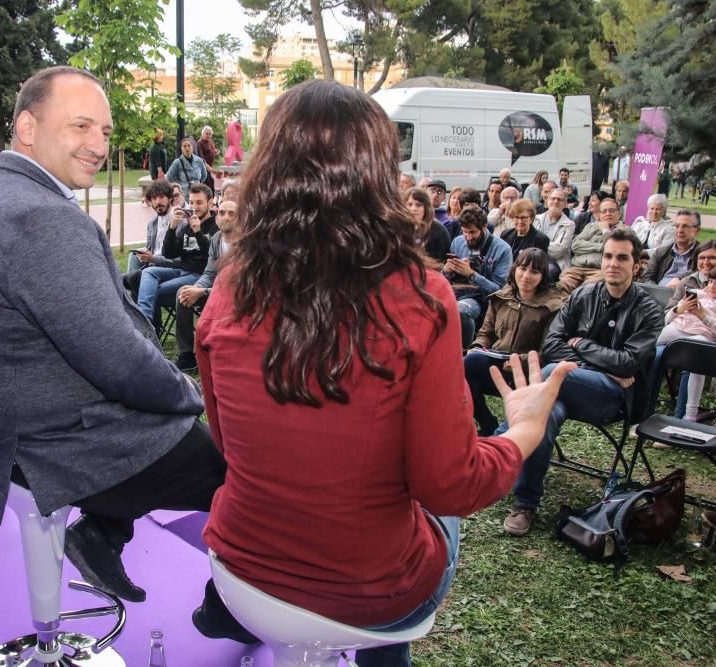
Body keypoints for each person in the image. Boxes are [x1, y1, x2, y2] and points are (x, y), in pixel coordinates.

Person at [191, 79, 575, 665]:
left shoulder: (227, 288)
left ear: (268, 168)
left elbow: (227, 438)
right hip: (364, 592)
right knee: (434, 519)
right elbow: (449, 485)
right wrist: (522, 431)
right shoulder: (422, 298)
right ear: (380, 172)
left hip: (237, 571)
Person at [0, 66, 225, 604]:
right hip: (43, 440)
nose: (98, 145)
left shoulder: (4, 193)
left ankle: (103, 531)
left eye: (104, 131)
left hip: (10, 421)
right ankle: (231, 608)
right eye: (80, 127)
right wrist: (187, 395)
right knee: (238, 474)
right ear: (28, 127)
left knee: (167, 412)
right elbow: (118, 362)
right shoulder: (40, 217)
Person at [497, 229, 663, 536]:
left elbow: (628, 363)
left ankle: (500, 441)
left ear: (636, 265)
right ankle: (525, 504)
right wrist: (590, 362)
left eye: (622, 258)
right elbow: (553, 345)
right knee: (547, 411)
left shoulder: (649, 309)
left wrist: (579, 346)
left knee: (549, 376)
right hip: (569, 386)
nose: (613, 263)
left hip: (613, 398)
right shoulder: (584, 295)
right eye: (608, 256)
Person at [465, 248, 562, 435]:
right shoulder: (502, 297)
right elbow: (486, 332)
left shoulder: (552, 307)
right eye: (522, 268)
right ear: (514, 269)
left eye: (534, 272)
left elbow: (549, 351)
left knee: (470, 366)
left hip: (527, 372)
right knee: (466, 365)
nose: (526, 276)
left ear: (543, 276)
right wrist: (477, 346)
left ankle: (506, 432)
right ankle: (487, 423)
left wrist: (522, 360)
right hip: (497, 364)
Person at [659, 240, 716, 418]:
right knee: (650, 354)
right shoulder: (689, 282)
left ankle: (684, 416)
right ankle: (642, 409)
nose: (706, 262)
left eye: (712, 258)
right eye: (702, 258)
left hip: (712, 339)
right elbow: (668, 314)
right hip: (679, 330)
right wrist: (680, 309)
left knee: (694, 357)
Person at [136, 181, 217, 322]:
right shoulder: (187, 225)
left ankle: (145, 326)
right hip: (181, 269)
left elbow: (212, 254)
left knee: (151, 290)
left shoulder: (216, 226)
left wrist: (198, 232)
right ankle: (145, 321)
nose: (194, 207)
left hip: (200, 275)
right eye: (191, 203)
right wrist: (172, 227)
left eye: (199, 203)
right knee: (147, 272)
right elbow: (169, 253)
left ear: (210, 204)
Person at [173, 199, 237, 371]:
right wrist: (195, 288)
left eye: (232, 214)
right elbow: (209, 273)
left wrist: (203, 292)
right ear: (217, 218)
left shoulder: (246, 243)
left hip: (239, 298)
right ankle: (187, 354)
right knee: (183, 293)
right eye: (222, 213)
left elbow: (237, 286)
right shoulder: (216, 239)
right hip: (217, 293)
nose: (226, 217)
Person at [445, 205, 513, 347]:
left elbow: (500, 291)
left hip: (479, 299)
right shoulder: (457, 242)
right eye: (464, 232)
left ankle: (464, 352)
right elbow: (446, 279)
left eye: (472, 232)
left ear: (484, 227)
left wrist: (471, 275)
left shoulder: (502, 249)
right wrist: (446, 270)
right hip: (454, 292)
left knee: (460, 312)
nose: (468, 237)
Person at [558, 197, 623, 296]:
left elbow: (612, 249)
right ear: (600, 215)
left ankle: (574, 308)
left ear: (619, 213)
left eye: (611, 210)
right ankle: (567, 309)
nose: (608, 214)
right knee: (562, 285)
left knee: (585, 291)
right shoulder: (591, 226)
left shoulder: (625, 231)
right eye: (604, 211)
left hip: (600, 270)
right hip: (577, 267)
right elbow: (575, 245)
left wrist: (606, 231)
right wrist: (600, 247)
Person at [124, 178, 177, 274]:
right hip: (151, 264)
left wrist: (154, 259)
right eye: (154, 198)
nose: (157, 202)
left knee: (132, 278)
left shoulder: (179, 219)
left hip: (168, 266)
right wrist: (144, 254)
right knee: (132, 257)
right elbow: (150, 248)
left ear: (170, 198)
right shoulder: (152, 224)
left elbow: (180, 259)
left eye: (161, 197)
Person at [642, 209, 701, 287]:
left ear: (697, 230)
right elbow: (647, 277)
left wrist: (679, 279)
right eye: (677, 226)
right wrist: (658, 291)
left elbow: (702, 273)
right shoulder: (661, 252)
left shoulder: (703, 254)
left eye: (685, 226)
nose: (680, 230)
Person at [405, 186, 450, 264]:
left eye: (418, 205)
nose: (413, 209)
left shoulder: (438, 230)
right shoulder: (398, 227)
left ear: (426, 207)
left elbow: (443, 262)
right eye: (409, 204)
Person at [533, 187, 575, 272]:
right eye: (553, 198)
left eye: (560, 200)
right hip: (533, 258)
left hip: (556, 263)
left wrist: (536, 245)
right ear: (547, 201)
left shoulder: (569, 224)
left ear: (565, 204)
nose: (556, 202)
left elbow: (559, 250)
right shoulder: (535, 219)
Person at [166, 136, 208, 200]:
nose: (187, 148)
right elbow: (169, 177)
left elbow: (204, 175)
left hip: (197, 193)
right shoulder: (177, 162)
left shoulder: (199, 161)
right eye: (184, 146)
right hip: (184, 195)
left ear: (192, 147)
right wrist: (179, 186)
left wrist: (197, 183)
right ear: (181, 148)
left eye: (189, 146)